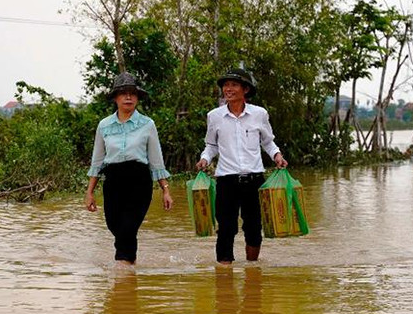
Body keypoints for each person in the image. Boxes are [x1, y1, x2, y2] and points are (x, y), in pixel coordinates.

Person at [196, 67, 287, 264]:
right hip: (226, 181)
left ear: (245, 89)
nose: (228, 89)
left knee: (254, 228)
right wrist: (205, 158)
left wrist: (277, 155)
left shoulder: (259, 114)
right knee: (226, 229)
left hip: (254, 180)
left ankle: (252, 270)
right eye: (225, 85)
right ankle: (224, 274)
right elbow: (211, 145)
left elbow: (268, 142)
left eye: (234, 85)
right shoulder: (214, 116)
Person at [85, 72, 174, 265]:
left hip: (139, 182)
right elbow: (97, 161)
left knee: (127, 228)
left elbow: (156, 160)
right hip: (113, 182)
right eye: (123, 93)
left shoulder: (147, 124)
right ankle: (129, 268)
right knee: (115, 227)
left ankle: (122, 275)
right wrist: (89, 192)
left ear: (137, 98)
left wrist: (165, 191)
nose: (128, 97)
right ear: (116, 98)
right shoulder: (104, 125)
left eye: (132, 94)